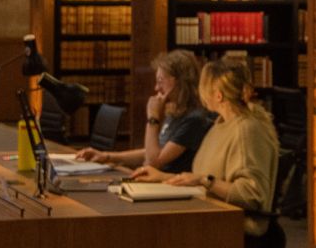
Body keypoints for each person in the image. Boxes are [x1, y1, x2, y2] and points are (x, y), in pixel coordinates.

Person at [133, 58, 279, 248]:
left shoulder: (246, 130)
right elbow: (203, 179)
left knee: (153, 233)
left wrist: (204, 180)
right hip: (212, 213)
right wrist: (164, 177)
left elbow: (250, 194)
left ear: (218, 95)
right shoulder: (221, 125)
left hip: (236, 223)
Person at [78, 49, 214, 173]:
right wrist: (107, 156)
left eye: (161, 81)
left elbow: (153, 162)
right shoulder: (176, 112)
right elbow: (151, 151)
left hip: (171, 189)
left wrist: (153, 119)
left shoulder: (194, 119)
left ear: (179, 82)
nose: (156, 88)